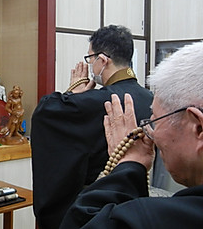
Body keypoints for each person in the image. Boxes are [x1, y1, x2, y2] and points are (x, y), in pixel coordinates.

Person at [61, 41, 203, 228]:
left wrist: (129, 164)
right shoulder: (143, 95)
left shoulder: (153, 218)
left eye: (155, 121)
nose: (150, 135)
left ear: (198, 128)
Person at [30, 25, 153, 229]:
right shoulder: (149, 99)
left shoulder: (98, 101)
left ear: (103, 60)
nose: (90, 66)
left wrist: (73, 94)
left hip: (97, 205)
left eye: (91, 59)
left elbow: (46, 113)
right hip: (137, 197)